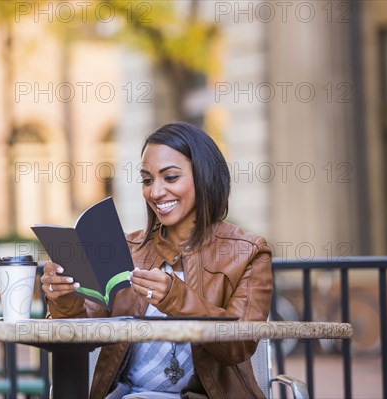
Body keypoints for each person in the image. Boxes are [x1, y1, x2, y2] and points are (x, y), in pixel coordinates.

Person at [40, 121, 273, 398]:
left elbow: (238, 345)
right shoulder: (127, 248)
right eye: (147, 180)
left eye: (170, 177)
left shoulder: (247, 252)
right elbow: (83, 334)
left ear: (204, 176)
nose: (155, 192)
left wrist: (177, 299)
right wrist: (63, 299)